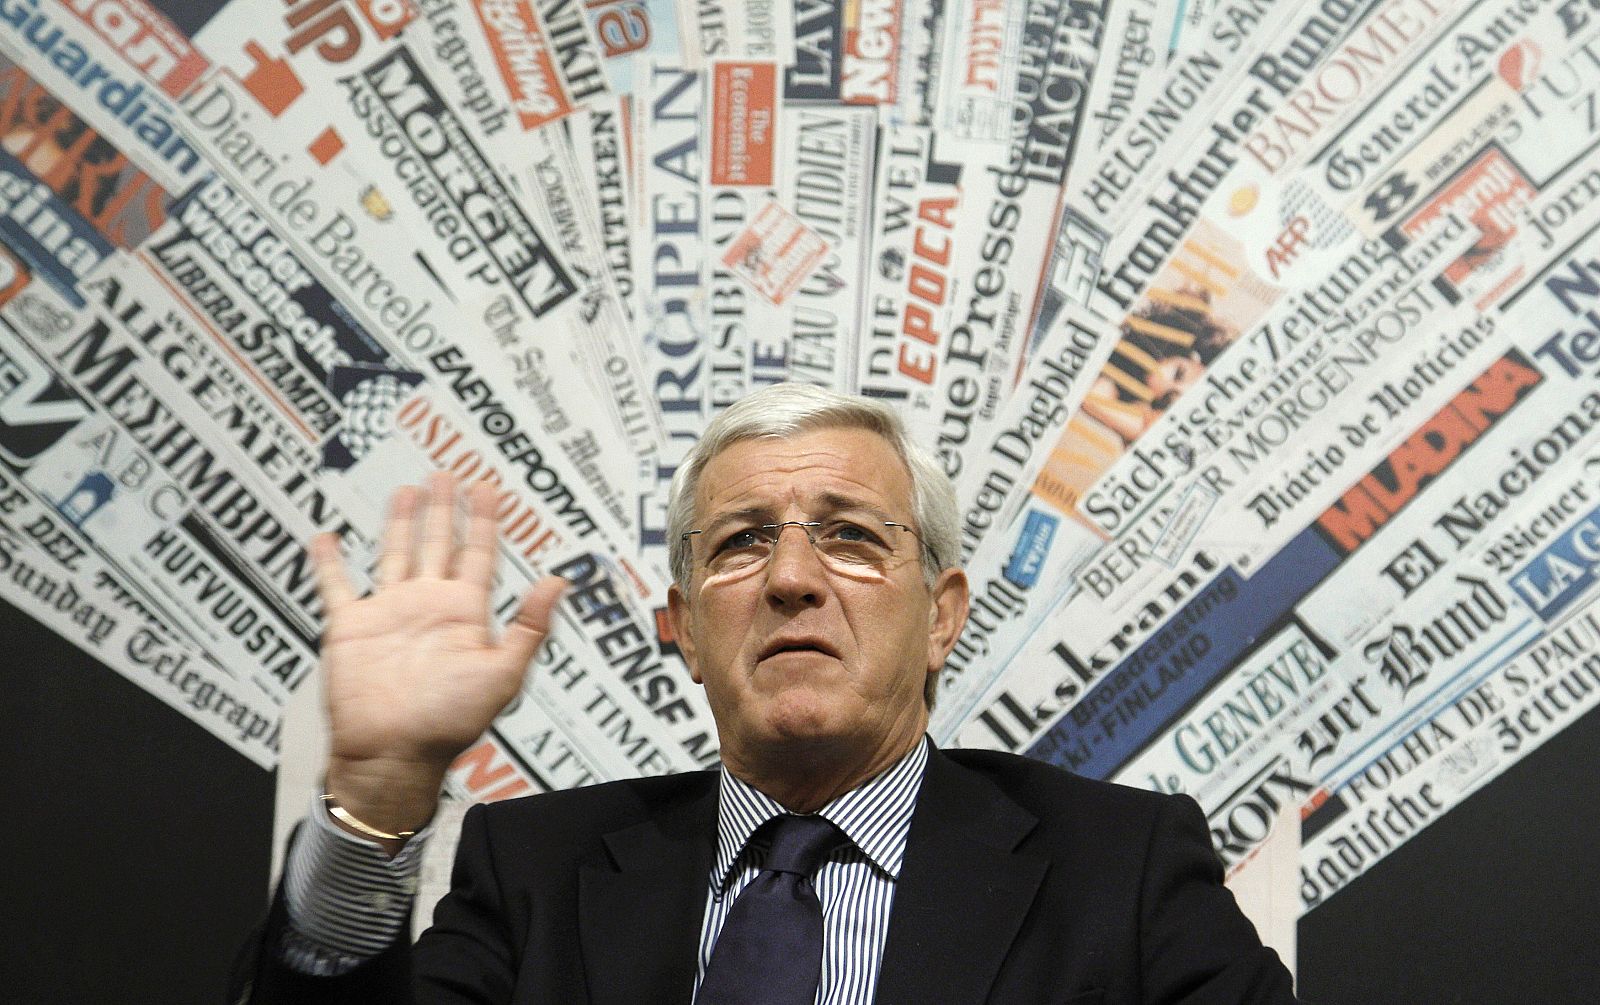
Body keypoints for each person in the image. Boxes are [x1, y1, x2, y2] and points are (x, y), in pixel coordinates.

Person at [232, 384, 1300, 1003]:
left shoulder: (1120, 869)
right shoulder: (534, 878)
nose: (793, 577)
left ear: (942, 614)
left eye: (849, 535)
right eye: (744, 542)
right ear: (685, 627)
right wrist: (376, 792)